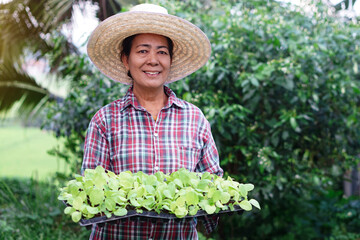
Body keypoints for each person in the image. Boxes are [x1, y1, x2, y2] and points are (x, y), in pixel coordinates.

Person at [82, 3, 223, 240]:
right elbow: (89, 197)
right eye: (143, 51)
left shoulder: (194, 119)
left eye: (162, 51)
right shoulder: (105, 120)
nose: (153, 60)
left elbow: (212, 190)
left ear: (170, 60)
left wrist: (217, 202)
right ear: (126, 60)